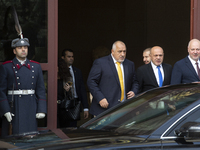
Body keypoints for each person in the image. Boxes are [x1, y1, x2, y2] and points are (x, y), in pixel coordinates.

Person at [0, 38, 47, 137]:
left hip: (31, 105)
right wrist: (5, 109)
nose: (23, 50)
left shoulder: (36, 66)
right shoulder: (6, 66)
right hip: (14, 106)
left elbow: (41, 90)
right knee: (14, 139)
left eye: (25, 47)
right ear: (14, 51)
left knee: (30, 137)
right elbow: (1, 91)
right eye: (20, 48)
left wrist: (41, 109)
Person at [87, 40, 138, 116]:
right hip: (105, 108)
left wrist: (134, 91)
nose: (122, 54)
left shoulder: (130, 64)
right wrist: (100, 98)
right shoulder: (101, 63)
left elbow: (135, 81)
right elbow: (91, 82)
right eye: (119, 51)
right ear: (112, 51)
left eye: (124, 51)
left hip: (124, 108)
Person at [61, 49, 89, 127]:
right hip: (63, 104)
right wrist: (63, 90)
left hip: (74, 103)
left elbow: (82, 89)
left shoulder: (77, 71)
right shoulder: (58, 70)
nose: (71, 58)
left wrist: (85, 107)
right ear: (63, 58)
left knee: (73, 128)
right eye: (69, 56)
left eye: (72, 57)